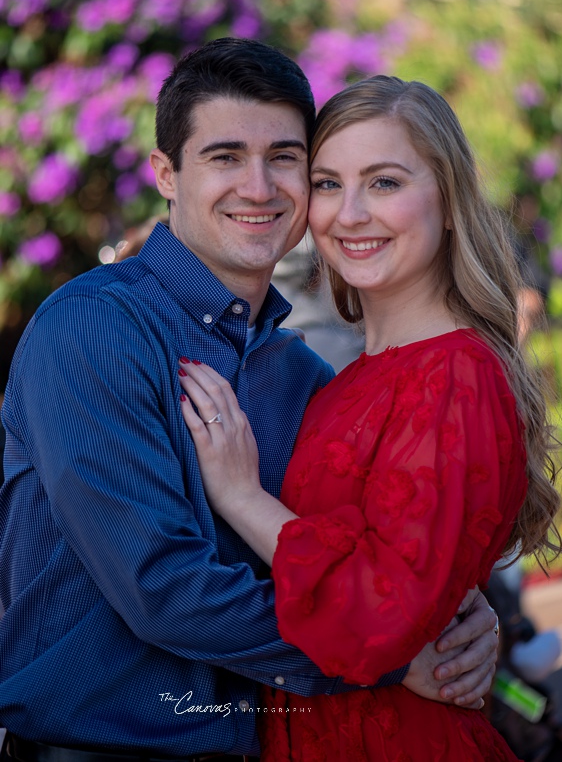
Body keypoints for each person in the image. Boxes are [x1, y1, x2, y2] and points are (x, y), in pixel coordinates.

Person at [0, 39, 499, 760]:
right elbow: (163, 587)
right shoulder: (95, 329)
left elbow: (363, 560)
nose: (260, 188)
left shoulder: (302, 376)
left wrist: (455, 615)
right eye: (225, 157)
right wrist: (386, 651)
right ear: (167, 174)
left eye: (285, 159)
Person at [173, 74, 562, 761]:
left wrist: (240, 496)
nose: (349, 213)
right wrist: (463, 611)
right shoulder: (344, 381)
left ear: (448, 202)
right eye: (327, 184)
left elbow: (384, 620)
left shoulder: (454, 377)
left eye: (384, 183)